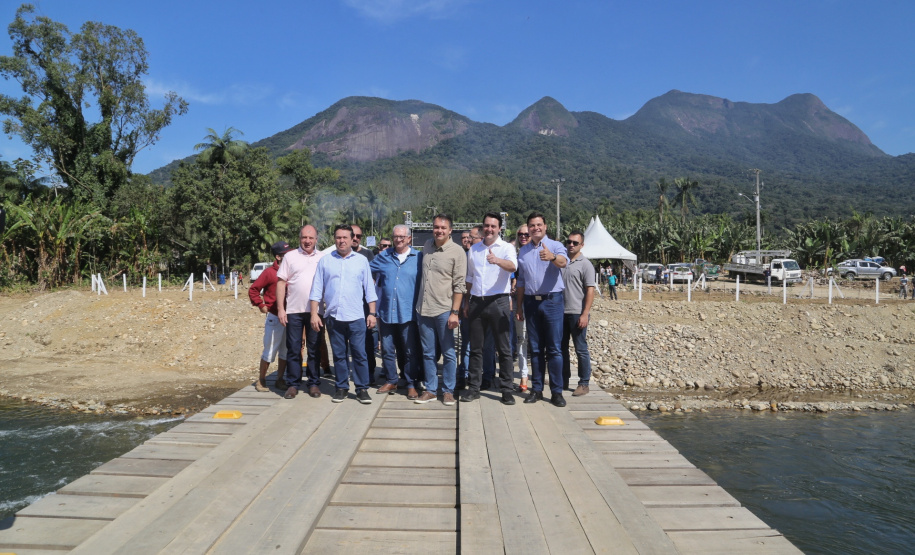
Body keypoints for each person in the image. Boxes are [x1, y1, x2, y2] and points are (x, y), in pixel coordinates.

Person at [310, 224, 378, 404]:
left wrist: (372, 313)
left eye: (345, 238)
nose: (341, 241)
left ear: (351, 239)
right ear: (335, 239)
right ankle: (341, 387)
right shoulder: (325, 260)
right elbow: (317, 288)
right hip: (334, 316)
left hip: (356, 316)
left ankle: (362, 389)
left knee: (359, 354)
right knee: (339, 355)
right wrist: (314, 314)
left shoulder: (361, 260)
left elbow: (369, 289)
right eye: (338, 237)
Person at [463, 213, 517, 404]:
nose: (489, 229)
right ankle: (475, 387)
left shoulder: (506, 247)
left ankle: (506, 390)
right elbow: (469, 277)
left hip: (498, 301)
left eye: (493, 226)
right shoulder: (474, 249)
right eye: (486, 226)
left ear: (499, 228)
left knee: (503, 349)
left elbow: (512, 266)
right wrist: (467, 301)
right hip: (477, 300)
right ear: (483, 227)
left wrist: (498, 261)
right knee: (476, 348)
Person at [515, 212, 568, 407]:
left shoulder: (554, 245)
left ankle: (556, 392)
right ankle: (536, 389)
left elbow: (564, 263)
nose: (536, 228)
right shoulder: (523, 251)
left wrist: (552, 257)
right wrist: (519, 306)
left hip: (552, 301)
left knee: (554, 349)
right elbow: (521, 280)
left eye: (539, 224)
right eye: (532, 225)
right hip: (530, 302)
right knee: (535, 349)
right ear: (528, 228)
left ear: (545, 227)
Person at [416, 214, 466, 405]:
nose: (439, 231)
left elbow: (460, 285)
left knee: (449, 352)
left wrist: (455, 312)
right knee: (428, 352)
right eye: (436, 227)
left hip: (445, 310)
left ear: (450, 230)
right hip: (423, 309)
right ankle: (430, 389)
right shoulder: (427, 245)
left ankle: (448, 390)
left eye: (443, 228)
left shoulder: (457, 252)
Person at [370, 225, 422, 398]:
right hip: (386, 313)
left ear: (409, 238)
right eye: (395, 236)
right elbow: (365, 272)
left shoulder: (419, 258)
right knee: (386, 349)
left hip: (408, 313)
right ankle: (391, 380)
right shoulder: (383, 256)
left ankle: (410, 383)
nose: (398, 239)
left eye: (402, 237)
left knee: (409, 351)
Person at [276, 225, 325, 399]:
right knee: (294, 348)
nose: (307, 241)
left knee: (314, 348)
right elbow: (281, 283)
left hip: (316, 312)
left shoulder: (323, 257)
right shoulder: (290, 257)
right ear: (300, 239)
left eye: (311, 238)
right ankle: (293, 384)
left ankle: (313, 383)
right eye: (304, 237)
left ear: (316, 239)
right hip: (294, 311)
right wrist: (281, 309)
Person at [248, 241, 294, 392]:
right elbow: (254, 289)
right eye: (286, 255)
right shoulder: (269, 273)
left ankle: (280, 379)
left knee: (285, 351)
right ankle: (261, 380)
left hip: (290, 317)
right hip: (274, 317)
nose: (290, 257)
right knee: (269, 350)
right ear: (278, 257)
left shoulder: (292, 271)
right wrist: (261, 305)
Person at [561, 231, 595, 396]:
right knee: (561, 348)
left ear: (582, 245)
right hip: (560, 312)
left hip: (577, 312)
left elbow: (590, 290)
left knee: (580, 348)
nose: (571, 245)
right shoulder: (561, 261)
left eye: (575, 243)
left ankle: (584, 383)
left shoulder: (585, 264)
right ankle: (563, 379)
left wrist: (585, 313)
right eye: (569, 242)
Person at [350, 223, 378, 383]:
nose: (355, 238)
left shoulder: (368, 255)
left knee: (367, 341)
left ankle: (369, 373)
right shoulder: (336, 254)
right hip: (346, 306)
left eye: (358, 236)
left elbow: (373, 280)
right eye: (352, 235)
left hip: (365, 305)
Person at [512, 224, 531, 392]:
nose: (523, 236)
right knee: (521, 340)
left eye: (527, 234)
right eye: (520, 234)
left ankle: (539, 376)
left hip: (538, 302)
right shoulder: (513, 253)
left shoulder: (540, 253)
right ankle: (523, 376)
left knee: (539, 342)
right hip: (519, 302)